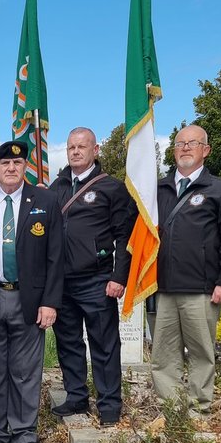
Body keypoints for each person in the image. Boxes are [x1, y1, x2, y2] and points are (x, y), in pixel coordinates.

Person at [0, 140, 62, 443]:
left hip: (28, 298)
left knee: (25, 370)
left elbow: (55, 257)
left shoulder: (46, 201)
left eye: (17, 164)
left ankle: (23, 432)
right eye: (5, 163)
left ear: (25, 168)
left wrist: (50, 302)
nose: (11, 168)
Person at [151, 123, 221, 415]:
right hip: (164, 288)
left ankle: (198, 410)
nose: (185, 149)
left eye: (193, 143)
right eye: (180, 144)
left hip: (201, 289)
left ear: (206, 150)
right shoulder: (158, 188)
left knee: (202, 353)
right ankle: (171, 412)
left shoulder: (219, 190)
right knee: (163, 356)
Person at [50, 127, 136, 426]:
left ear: (95, 150)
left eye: (82, 146)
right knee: (69, 343)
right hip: (62, 283)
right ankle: (76, 397)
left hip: (97, 280)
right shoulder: (56, 188)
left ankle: (110, 404)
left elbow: (126, 235)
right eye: (71, 147)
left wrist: (119, 276)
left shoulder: (111, 188)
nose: (76, 151)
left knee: (104, 344)